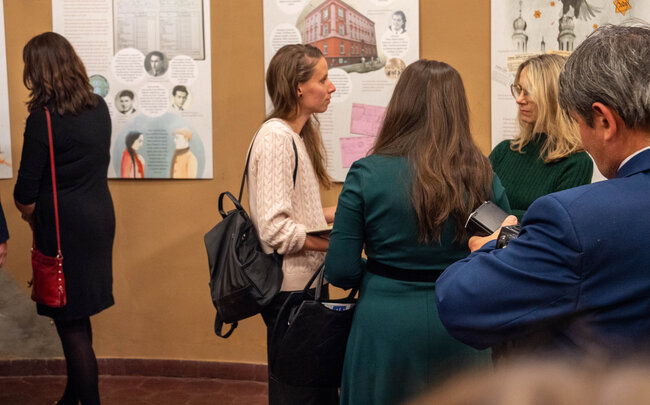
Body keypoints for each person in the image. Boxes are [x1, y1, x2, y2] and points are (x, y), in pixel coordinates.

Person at [435, 24, 650, 359]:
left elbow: (459, 301)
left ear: (604, 121)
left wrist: (492, 246)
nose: (582, 140)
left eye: (578, 122)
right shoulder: (510, 153)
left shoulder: (574, 217)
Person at [324, 59, 511, 405]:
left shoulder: (365, 174)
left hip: (384, 326)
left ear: (401, 105)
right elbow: (504, 256)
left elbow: (340, 270)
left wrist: (379, 274)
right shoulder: (482, 174)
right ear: (457, 110)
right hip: (461, 323)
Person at [14, 32, 115, 405]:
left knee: (70, 323)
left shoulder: (42, 119)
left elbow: (25, 194)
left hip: (63, 229)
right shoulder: (99, 106)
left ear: (38, 71)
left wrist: (29, 215)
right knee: (78, 314)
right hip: (99, 220)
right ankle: (72, 397)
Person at [247, 44, 337, 405]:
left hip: (303, 289)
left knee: (313, 391)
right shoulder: (276, 139)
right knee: (300, 395)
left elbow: (293, 215)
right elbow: (275, 230)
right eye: (323, 79)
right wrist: (332, 244)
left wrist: (334, 213)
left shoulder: (292, 136)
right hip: (292, 292)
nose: (331, 87)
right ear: (298, 88)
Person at [490, 54, 593, 221]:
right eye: (519, 90)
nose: (519, 99)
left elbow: (555, 223)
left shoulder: (576, 163)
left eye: (528, 92)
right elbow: (474, 206)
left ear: (553, 97)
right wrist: (523, 215)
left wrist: (499, 214)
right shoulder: (504, 151)